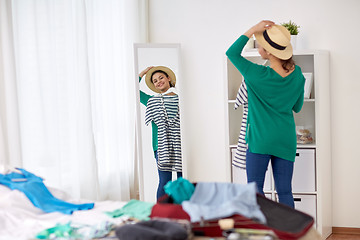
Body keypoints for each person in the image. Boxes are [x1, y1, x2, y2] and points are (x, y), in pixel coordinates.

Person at [226, 20, 305, 208]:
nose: (257, 45)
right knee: (285, 191)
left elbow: (231, 53)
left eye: (260, 43)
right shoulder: (298, 74)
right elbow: (298, 107)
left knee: (256, 190)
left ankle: (261, 232)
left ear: (269, 52)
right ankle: (290, 233)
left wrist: (253, 28)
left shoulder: (256, 74)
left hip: (260, 140)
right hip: (285, 140)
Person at [139, 66, 182, 200]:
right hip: (161, 146)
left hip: (182, 144)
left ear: (168, 78)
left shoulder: (182, 99)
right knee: (164, 182)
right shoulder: (151, 101)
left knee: (183, 180)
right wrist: (142, 74)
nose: (158, 82)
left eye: (161, 77)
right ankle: (162, 212)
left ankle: (183, 209)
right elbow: (132, 90)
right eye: (155, 81)